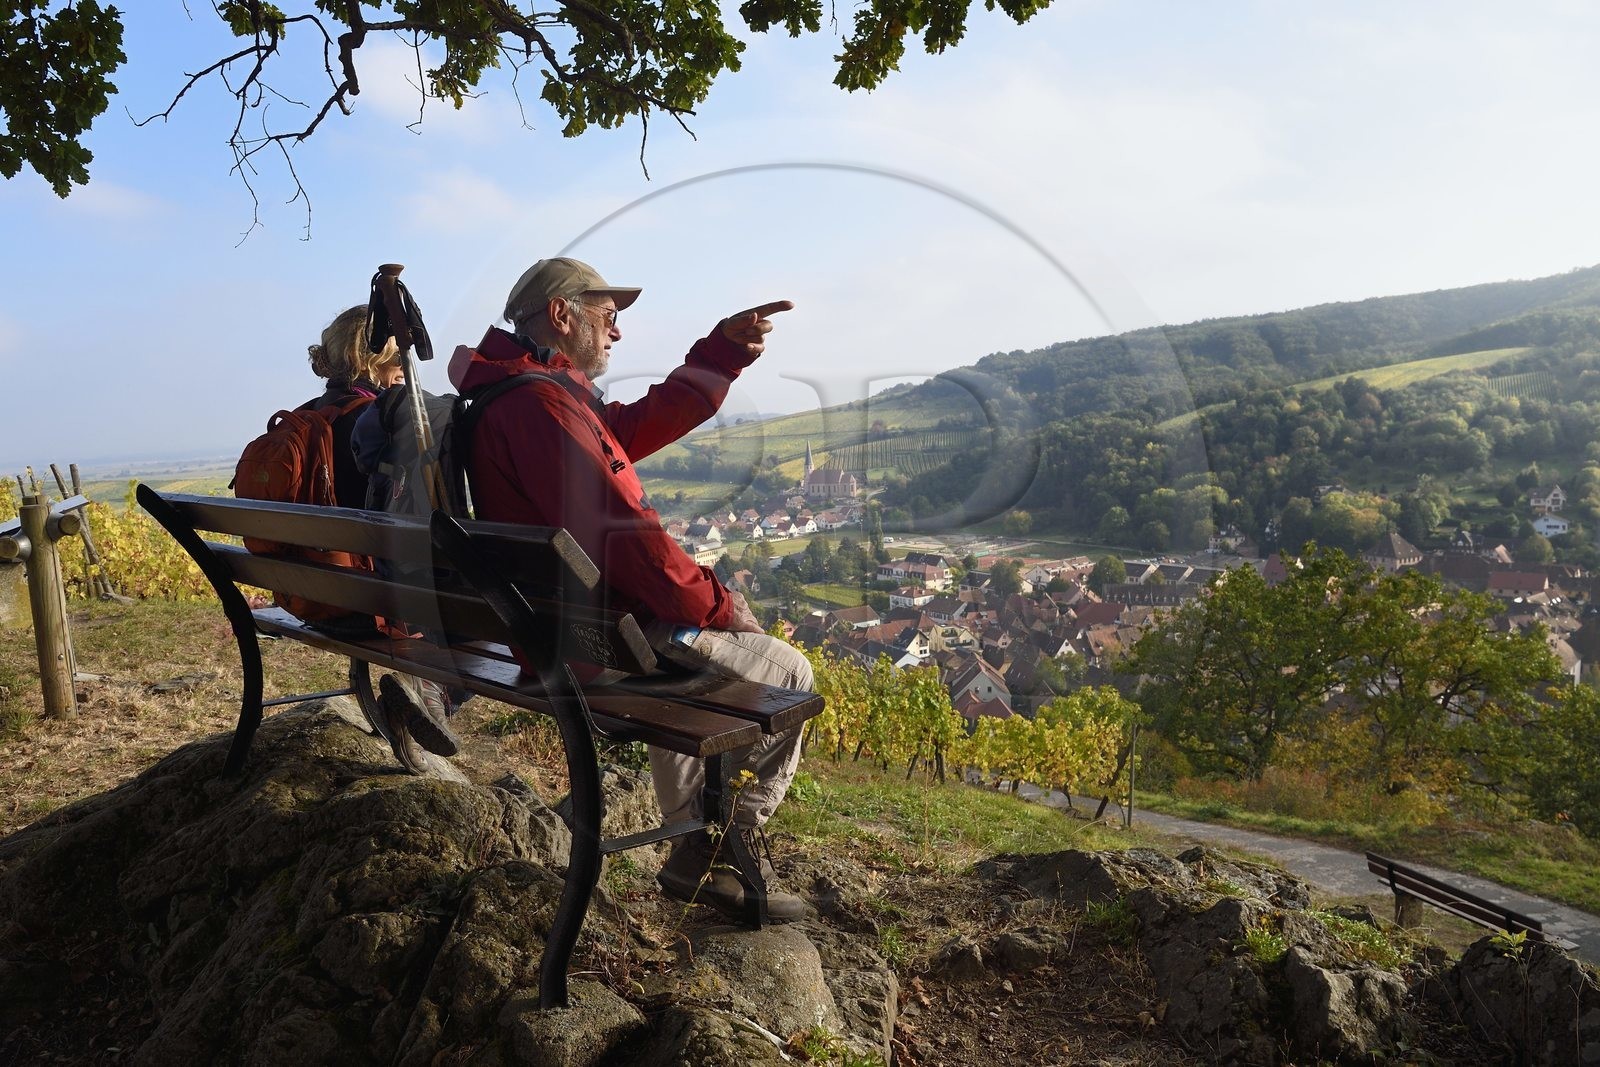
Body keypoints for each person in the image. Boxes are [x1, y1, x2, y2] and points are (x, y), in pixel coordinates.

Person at [431, 256, 813, 921]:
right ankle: (718, 843)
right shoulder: (540, 405)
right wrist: (723, 606)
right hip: (595, 640)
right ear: (561, 314)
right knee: (789, 672)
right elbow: (627, 538)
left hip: (561, 629)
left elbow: (628, 433)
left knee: (690, 672)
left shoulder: (519, 395)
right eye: (608, 318)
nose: (617, 334)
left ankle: (696, 842)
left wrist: (719, 357)